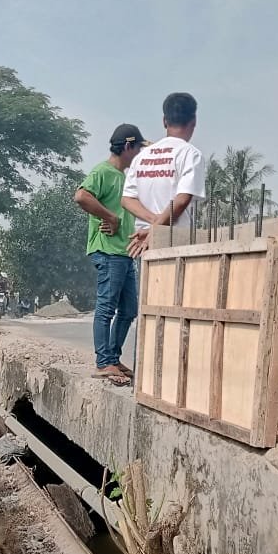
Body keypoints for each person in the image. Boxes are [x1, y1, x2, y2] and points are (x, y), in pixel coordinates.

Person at [73, 124, 148, 386]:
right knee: (106, 307)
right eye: (137, 148)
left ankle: (113, 358)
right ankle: (104, 361)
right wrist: (110, 217)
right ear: (128, 147)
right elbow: (81, 196)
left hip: (124, 252)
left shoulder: (124, 177)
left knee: (128, 309)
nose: (138, 153)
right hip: (108, 251)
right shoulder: (103, 172)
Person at [121, 92, 206, 258]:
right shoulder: (190, 154)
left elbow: (127, 199)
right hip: (176, 243)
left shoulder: (142, 156)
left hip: (144, 241)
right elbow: (181, 200)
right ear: (194, 121)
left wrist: (153, 226)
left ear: (164, 121)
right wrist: (157, 229)